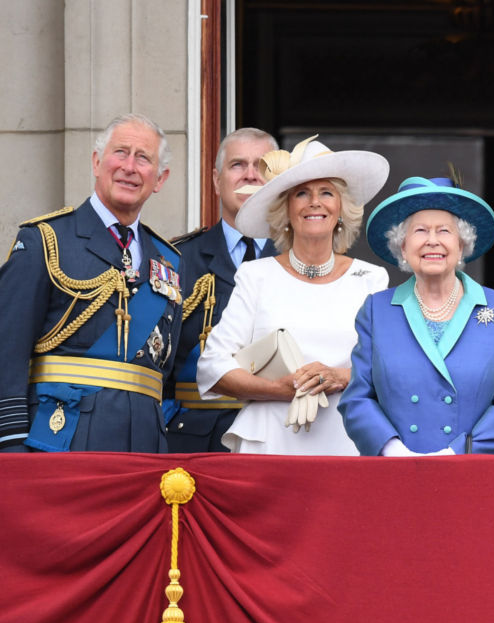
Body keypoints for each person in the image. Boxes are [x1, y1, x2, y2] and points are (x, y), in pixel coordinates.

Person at [0, 113, 182, 452]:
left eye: (143, 158)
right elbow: (6, 351)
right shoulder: (47, 240)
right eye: (120, 153)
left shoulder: (169, 262)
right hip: (61, 441)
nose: (129, 166)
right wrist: (11, 446)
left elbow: (164, 373)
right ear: (97, 162)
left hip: (144, 445)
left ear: (159, 178)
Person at [196, 136, 389, 454]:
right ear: (285, 210)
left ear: (340, 208)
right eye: (302, 193)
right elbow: (212, 368)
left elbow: (389, 368)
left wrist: (338, 376)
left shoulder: (370, 278)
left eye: (326, 192)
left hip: (347, 440)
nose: (315, 202)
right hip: (271, 441)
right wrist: (278, 389)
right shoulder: (256, 276)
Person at [339, 175, 494, 456]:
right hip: (396, 472)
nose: (432, 241)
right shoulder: (376, 311)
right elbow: (357, 398)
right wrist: (393, 450)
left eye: (444, 231)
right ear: (402, 247)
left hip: (471, 472)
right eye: (419, 231)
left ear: (462, 244)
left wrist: (459, 454)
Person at [164, 127, 279, 452]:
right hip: (195, 441)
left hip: (280, 434)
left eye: (262, 166)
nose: (251, 175)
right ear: (216, 180)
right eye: (238, 165)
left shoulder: (297, 259)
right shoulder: (177, 259)